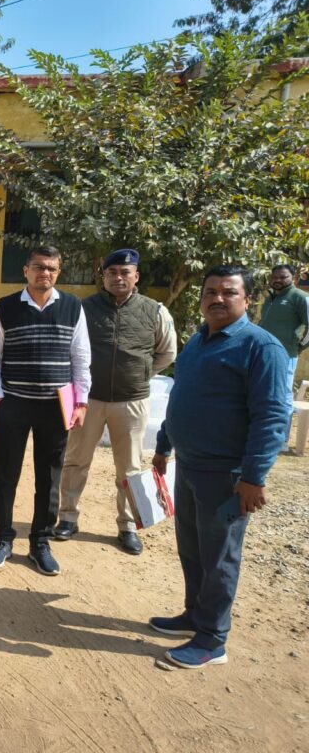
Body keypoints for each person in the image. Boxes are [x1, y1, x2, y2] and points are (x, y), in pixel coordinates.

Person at [151, 265, 289, 670]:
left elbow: (271, 417)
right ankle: (195, 614)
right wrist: (164, 444)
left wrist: (253, 477)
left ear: (248, 300)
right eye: (210, 291)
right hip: (190, 468)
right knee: (192, 549)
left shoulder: (261, 348)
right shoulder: (198, 341)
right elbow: (181, 397)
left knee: (220, 556)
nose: (217, 298)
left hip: (227, 477)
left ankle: (212, 639)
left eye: (228, 292)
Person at [53, 249, 177, 555]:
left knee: (129, 467)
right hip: (88, 400)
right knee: (76, 460)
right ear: (104, 277)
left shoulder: (154, 311)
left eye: (125, 272)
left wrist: (141, 373)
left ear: (136, 276)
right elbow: (69, 349)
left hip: (132, 401)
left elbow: (167, 353)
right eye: (112, 273)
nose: (118, 278)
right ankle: (67, 517)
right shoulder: (84, 309)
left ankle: (127, 526)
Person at [0, 245, 91, 576]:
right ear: (26, 270)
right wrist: (0, 397)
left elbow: (81, 357)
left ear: (58, 272)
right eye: (40, 267)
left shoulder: (72, 307)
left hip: (56, 407)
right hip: (14, 403)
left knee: (49, 476)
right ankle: (3, 539)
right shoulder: (6, 307)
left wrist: (81, 402)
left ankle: (40, 543)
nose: (46, 273)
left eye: (52, 268)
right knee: (6, 474)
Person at [258, 263, 308, 442]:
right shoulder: (270, 297)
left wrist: (299, 346)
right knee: (263, 393)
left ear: (294, 278)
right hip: (263, 354)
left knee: (283, 395)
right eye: (275, 277)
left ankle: (282, 439)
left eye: (283, 277)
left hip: (286, 354)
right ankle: (265, 433)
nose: (278, 280)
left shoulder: (300, 297)